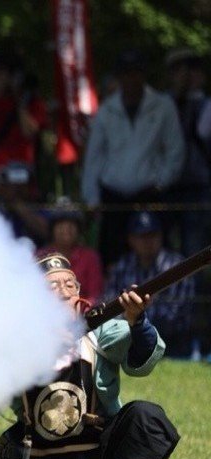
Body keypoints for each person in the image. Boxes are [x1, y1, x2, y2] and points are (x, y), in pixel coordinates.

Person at [0, 253, 178, 459]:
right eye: (52, 286)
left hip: (98, 454)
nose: (63, 292)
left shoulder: (100, 329)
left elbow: (140, 360)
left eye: (70, 284)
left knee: (148, 420)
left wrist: (136, 320)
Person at [81, 50, 185, 268]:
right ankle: (112, 302)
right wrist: (92, 198)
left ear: (143, 75)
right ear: (118, 77)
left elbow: (175, 151)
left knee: (156, 258)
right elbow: (94, 158)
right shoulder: (107, 110)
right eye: (126, 74)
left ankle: (161, 301)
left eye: (135, 73)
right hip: (113, 196)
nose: (131, 79)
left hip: (150, 193)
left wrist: (162, 182)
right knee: (111, 261)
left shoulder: (162, 105)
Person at [106, 212, 196, 358]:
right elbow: (109, 306)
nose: (148, 241)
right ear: (131, 239)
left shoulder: (177, 267)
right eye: (142, 236)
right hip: (129, 341)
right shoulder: (121, 267)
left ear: (161, 236)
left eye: (152, 235)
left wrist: (138, 315)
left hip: (173, 346)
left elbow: (179, 319)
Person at [0, 51, 49, 194]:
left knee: (18, 207)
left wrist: (19, 99)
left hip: (22, 171)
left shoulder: (32, 102)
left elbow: (29, 132)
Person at [165, 48, 211, 259]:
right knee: (161, 244)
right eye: (179, 70)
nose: (186, 76)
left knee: (194, 249)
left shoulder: (206, 105)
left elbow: (203, 131)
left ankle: (193, 291)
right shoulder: (162, 105)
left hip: (198, 186)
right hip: (165, 186)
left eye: (191, 70)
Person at [36, 204, 104, 306]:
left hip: (84, 317)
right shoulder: (39, 256)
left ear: (79, 230)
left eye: (71, 225)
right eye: (61, 225)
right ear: (52, 229)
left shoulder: (90, 257)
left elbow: (94, 296)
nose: (66, 229)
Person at [0, 161, 49, 244]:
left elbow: (47, 232)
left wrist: (18, 205)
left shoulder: (39, 209)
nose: (17, 189)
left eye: (22, 185)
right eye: (12, 184)